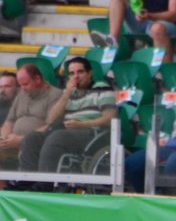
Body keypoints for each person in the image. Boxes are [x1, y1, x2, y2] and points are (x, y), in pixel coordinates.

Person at [16, 57, 116, 189]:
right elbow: (51, 119)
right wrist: (67, 93)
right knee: (32, 137)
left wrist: (82, 125)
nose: (76, 77)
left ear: (89, 73)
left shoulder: (102, 88)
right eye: (72, 73)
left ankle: (45, 184)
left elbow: (109, 118)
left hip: (93, 133)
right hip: (69, 130)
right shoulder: (69, 93)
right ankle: (26, 182)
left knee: (57, 137)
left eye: (80, 72)